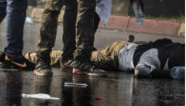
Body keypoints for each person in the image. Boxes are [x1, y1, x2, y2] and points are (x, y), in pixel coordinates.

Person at [25, 39, 184, 79]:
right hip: (115, 55)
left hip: (129, 47)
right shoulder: (154, 57)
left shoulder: (174, 50)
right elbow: (140, 71)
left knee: (83, 54)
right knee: (72, 58)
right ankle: (30, 57)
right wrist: (169, 74)